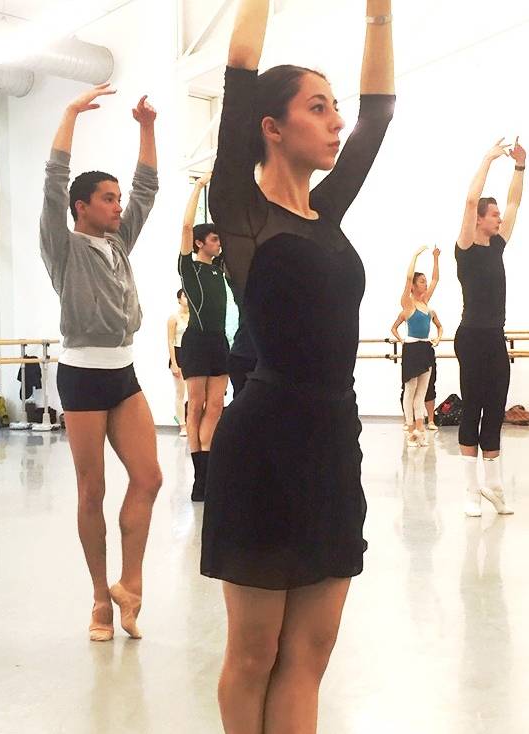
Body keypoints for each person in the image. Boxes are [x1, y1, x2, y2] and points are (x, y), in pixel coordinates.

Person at [202, 1, 394, 729]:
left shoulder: (328, 211)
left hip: (331, 443)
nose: (336, 121)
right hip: (262, 446)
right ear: (272, 127)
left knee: (310, 651)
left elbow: (378, 114)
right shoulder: (241, 209)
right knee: (254, 654)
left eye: (334, 107)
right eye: (318, 108)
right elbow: (239, 67)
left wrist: (379, 14)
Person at [38, 84, 161, 642]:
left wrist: (147, 126)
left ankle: (128, 583)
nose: (118, 205)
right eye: (107, 199)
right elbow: (52, 183)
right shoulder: (62, 246)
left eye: (117, 198)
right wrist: (68, 115)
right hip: (83, 375)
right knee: (93, 491)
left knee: (150, 477)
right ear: (82, 208)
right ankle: (97, 599)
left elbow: (148, 188)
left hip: (125, 372)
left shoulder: (118, 242)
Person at [453, 137, 526, 513]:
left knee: (496, 407)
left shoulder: (497, 245)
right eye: (492, 214)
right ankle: (470, 490)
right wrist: (488, 159)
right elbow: (469, 201)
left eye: (497, 215)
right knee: (474, 406)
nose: (499, 218)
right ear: (480, 219)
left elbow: (514, 203)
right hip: (471, 337)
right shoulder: (466, 246)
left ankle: (494, 487)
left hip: (495, 337)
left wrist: (520, 167)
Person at [178, 173, 231, 501]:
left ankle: (208, 470)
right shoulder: (190, 267)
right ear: (200, 243)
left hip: (218, 342)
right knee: (195, 404)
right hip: (196, 341)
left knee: (216, 405)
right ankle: (200, 476)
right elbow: (186, 227)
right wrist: (199, 187)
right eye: (213, 239)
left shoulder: (219, 267)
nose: (218, 243)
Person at [390, 246, 443, 448]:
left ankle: (420, 430)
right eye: (421, 281)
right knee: (410, 389)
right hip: (412, 349)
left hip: (425, 349)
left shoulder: (426, 302)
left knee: (422, 391)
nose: (425, 283)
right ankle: (411, 430)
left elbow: (436, 280)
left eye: (424, 281)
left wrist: (435, 259)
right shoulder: (408, 303)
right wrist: (414, 256)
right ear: (413, 286)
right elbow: (407, 278)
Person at [168, 289, 190, 436]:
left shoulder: (195, 317)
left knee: (194, 392)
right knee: (180, 392)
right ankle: (182, 425)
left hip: (193, 354)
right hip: (179, 353)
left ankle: (193, 422)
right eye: (184, 295)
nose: (187, 298)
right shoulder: (174, 318)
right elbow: (170, 341)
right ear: (179, 299)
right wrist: (174, 363)